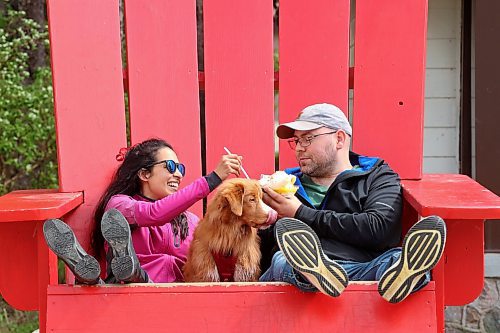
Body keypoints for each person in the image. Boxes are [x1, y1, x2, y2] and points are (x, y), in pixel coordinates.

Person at [258, 103, 446, 303]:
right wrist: (262, 219)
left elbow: (380, 228)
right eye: (296, 141)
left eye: (308, 139)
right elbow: (262, 243)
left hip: (363, 266)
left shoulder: (376, 176)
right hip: (295, 279)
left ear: (339, 139)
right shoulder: (280, 185)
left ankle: (337, 274)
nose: (299, 148)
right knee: (284, 260)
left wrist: (300, 213)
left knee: (395, 258)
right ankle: (319, 273)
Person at [43, 138, 245, 284]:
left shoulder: (191, 221)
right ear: (144, 174)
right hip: (130, 296)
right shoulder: (120, 206)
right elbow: (154, 214)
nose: (177, 174)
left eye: (180, 168)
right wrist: (212, 179)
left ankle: (92, 276)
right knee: (130, 275)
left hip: (178, 297)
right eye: (170, 166)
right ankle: (118, 268)